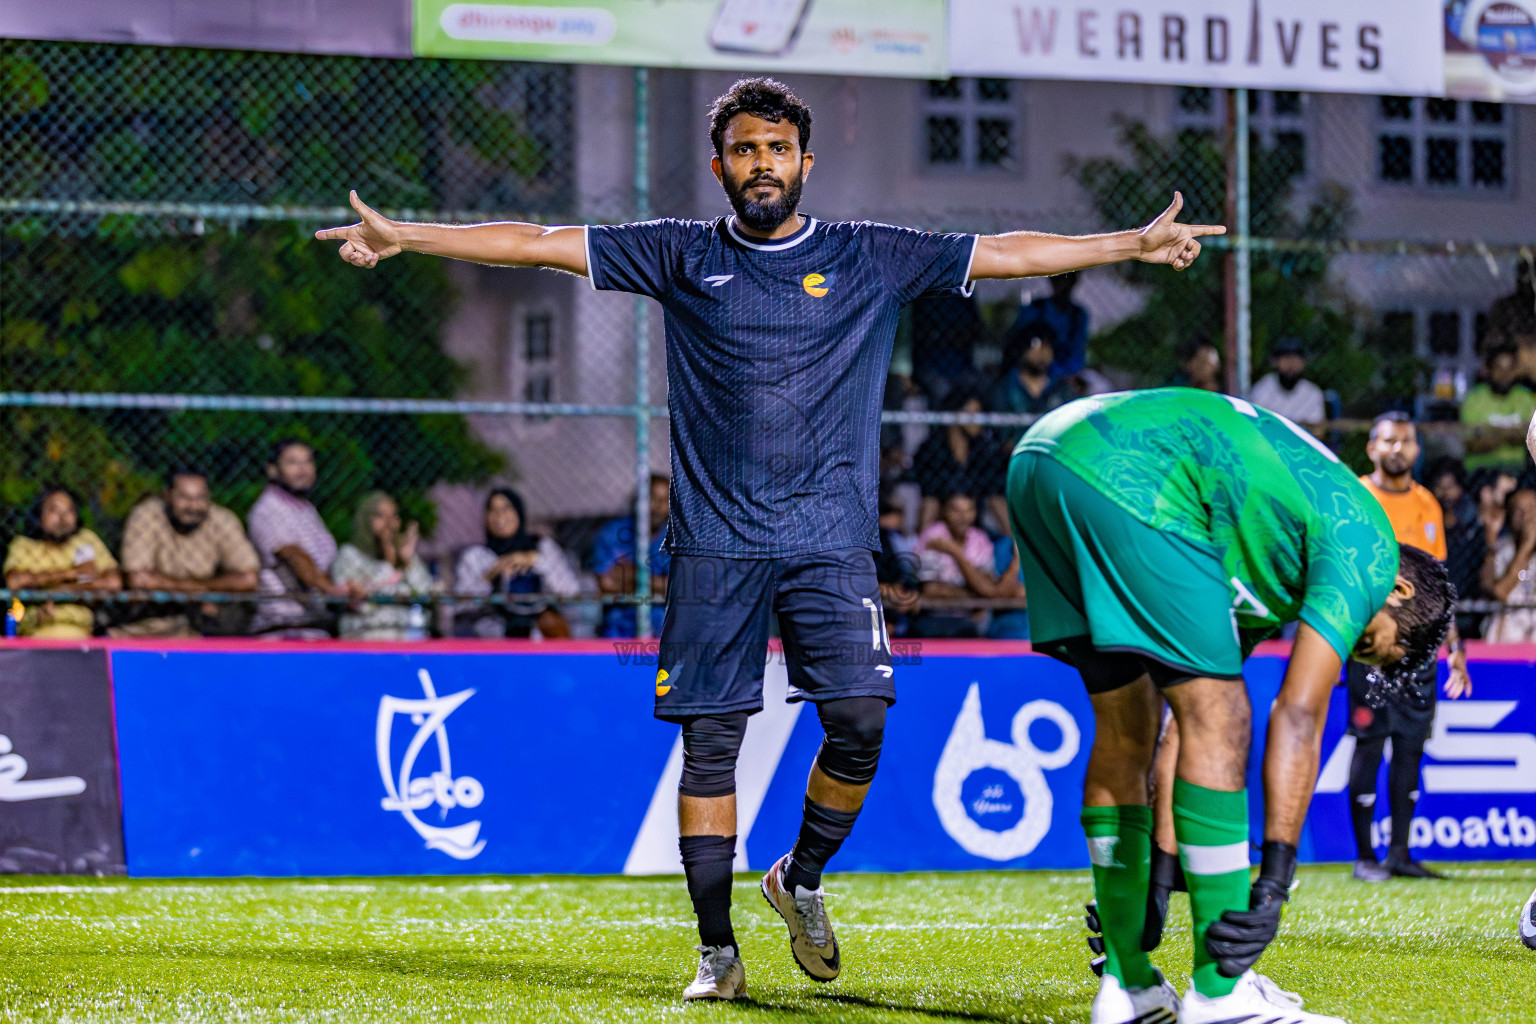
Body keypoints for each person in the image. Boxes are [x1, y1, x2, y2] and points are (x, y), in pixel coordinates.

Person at [317, 75, 1222, 1004]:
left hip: (831, 543)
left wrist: (1133, 245)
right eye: (745, 150)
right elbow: (537, 244)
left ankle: (800, 879)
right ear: (720, 166)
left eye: (777, 149)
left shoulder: (871, 255)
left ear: (804, 163)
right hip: (714, 546)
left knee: (861, 725)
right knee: (711, 745)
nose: (762, 164)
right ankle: (718, 951)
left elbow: (1003, 252)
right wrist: (405, 235)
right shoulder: (677, 252)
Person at [1007, 389, 1452, 1024]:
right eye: (1374, 645)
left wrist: (1159, 877)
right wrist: (1273, 881)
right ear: (1400, 590)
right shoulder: (1370, 548)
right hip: (1135, 475)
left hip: (1043, 458)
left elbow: (1178, 735)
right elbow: (1297, 714)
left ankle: (1129, 984)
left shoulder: (1274, 560)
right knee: (1227, 715)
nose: (1354, 651)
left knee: (1128, 726)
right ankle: (1223, 997)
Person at [1347, 413, 1471, 882]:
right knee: (1369, 742)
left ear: (1417, 449)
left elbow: (1438, 585)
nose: (1398, 448)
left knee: (1411, 745)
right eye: (1388, 440)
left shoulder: (1426, 504)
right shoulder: (1356, 496)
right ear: (1371, 448)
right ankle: (1364, 857)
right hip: (1370, 645)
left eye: (1406, 440)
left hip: (1418, 650)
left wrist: (1453, 647)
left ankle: (1400, 852)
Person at [112, 467, 260, 637]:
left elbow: (248, 578)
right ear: (166, 496)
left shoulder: (223, 520)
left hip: (199, 627)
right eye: (185, 498)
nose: (194, 506)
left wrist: (195, 589)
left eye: (200, 498)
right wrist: (197, 591)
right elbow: (139, 579)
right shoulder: (145, 515)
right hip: (139, 627)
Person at [247, 439, 362, 638]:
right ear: (273, 470)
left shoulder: (306, 508)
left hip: (314, 626)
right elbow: (294, 556)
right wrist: (332, 590)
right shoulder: (269, 509)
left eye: (307, 462)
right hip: (283, 629)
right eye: (292, 463)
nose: (303, 470)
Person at [453, 488, 580, 638]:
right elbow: (459, 606)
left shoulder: (542, 547)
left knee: (553, 625)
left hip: (538, 627)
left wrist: (537, 563)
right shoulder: (477, 556)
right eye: (493, 510)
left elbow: (571, 591)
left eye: (506, 509)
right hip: (494, 630)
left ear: (519, 513)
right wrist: (491, 575)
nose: (500, 516)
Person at [3, 487, 121, 638]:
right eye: (54, 510)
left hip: (84, 633)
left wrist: (58, 591)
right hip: (36, 632)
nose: (63, 517)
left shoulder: (86, 539)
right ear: (38, 517)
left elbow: (113, 582)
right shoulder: (24, 544)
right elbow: (14, 581)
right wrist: (72, 573)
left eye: (69, 511)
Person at [330, 492, 433, 640]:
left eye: (393, 516)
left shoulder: (404, 554)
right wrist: (390, 563)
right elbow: (362, 604)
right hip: (366, 635)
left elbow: (425, 591)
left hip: (406, 637)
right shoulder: (350, 555)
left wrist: (406, 562)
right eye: (380, 516)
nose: (388, 522)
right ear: (365, 520)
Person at [913, 492, 1015, 638]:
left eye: (969, 510)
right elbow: (932, 589)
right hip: (935, 617)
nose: (963, 517)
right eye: (956, 510)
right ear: (944, 512)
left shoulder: (979, 538)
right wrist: (974, 596)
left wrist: (955, 553)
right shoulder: (932, 538)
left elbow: (987, 585)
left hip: (971, 619)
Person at [910, 388, 1008, 532]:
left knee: (996, 501)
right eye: (971, 413)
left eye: (979, 413)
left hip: (973, 515)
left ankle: (1017, 547)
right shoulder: (934, 449)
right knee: (931, 502)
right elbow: (930, 493)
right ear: (955, 414)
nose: (977, 420)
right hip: (942, 515)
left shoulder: (982, 451)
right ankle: (922, 548)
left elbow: (993, 491)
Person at [592, 474, 671, 639]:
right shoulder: (613, 533)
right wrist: (657, 583)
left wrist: (635, 576)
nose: (657, 507)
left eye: (664, 501)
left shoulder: (676, 538)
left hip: (662, 627)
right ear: (639, 499)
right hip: (619, 625)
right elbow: (606, 584)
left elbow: (676, 587)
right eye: (652, 498)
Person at [989, 324, 1076, 449]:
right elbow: (1002, 434)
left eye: (1047, 346)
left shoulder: (1061, 388)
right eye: (1036, 345)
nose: (1042, 353)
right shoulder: (1006, 386)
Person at [1460, 345, 1536, 472]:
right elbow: (1472, 444)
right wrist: (1514, 434)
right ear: (1488, 370)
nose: (1504, 375)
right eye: (1499, 368)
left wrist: (1491, 433)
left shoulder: (1525, 398)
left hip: (1516, 470)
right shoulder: (1473, 400)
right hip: (1480, 471)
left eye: (1509, 369)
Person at [1008, 271, 1089, 381]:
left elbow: (1077, 355)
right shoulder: (1035, 308)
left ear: (1074, 281)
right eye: (1059, 278)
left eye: (1068, 278)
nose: (1063, 284)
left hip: (1060, 381)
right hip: (1027, 376)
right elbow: (1017, 341)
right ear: (1051, 280)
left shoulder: (1078, 316)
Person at [1480, 488, 1536, 642]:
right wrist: (1527, 546)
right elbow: (1500, 592)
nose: (1527, 517)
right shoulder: (1500, 549)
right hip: (1506, 640)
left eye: (1532, 508)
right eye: (1519, 510)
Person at [1249, 336, 1326, 426]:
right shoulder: (1262, 389)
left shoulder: (1313, 393)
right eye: (1286, 358)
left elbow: (1317, 431)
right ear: (1274, 361)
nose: (1291, 364)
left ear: (1303, 362)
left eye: (1296, 358)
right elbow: (1255, 424)